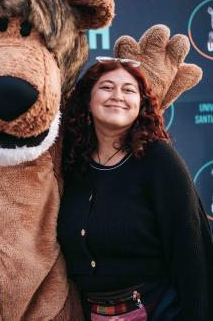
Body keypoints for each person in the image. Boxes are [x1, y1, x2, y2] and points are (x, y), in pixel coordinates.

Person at [57, 57, 213, 321]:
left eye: (129, 90)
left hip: (161, 311)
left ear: (140, 104)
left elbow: (194, 256)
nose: (118, 96)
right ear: (88, 98)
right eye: (107, 87)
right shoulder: (71, 164)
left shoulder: (159, 160)